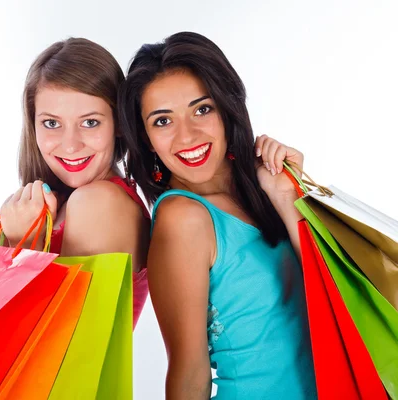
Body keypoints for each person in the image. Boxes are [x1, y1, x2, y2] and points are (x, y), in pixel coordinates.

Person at [119, 32, 317, 398]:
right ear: (146, 138)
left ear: (227, 109)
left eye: (202, 109)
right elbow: (188, 372)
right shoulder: (183, 219)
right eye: (163, 121)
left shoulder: (264, 191)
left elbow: (339, 300)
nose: (188, 135)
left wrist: (288, 196)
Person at [0, 38, 150, 327]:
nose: (70, 146)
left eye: (90, 122)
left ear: (118, 123)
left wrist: (25, 244)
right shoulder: (68, 199)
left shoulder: (98, 201)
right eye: (52, 123)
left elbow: (72, 343)